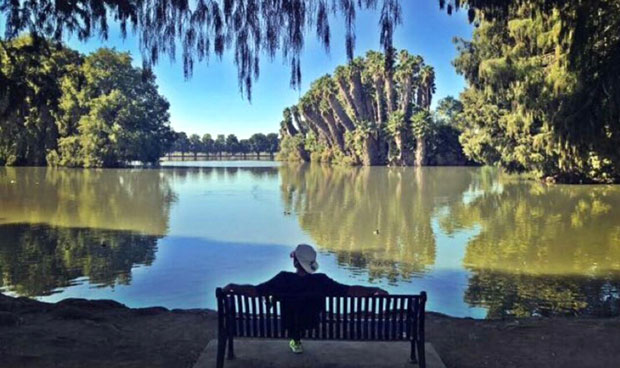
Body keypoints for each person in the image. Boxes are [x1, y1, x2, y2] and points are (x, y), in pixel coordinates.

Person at [223, 243, 388, 354]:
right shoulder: (322, 281)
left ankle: (295, 338)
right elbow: (349, 291)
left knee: (275, 295)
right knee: (299, 304)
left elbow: (255, 291)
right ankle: (295, 331)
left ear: (295, 262)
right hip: (314, 324)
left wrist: (234, 286)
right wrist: (373, 289)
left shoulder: (282, 279)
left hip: (288, 325)